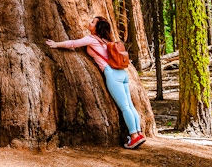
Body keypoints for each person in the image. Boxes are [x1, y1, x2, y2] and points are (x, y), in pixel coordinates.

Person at [46, 16, 146, 149]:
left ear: (97, 27)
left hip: (112, 73)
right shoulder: (107, 40)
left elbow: (73, 44)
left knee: (124, 107)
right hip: (122, 73)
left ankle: (133, 136)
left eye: (92, 22)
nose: (89, 23)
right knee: (130, 106)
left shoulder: (92, 39)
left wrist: (56, 44)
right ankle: (139, 133)